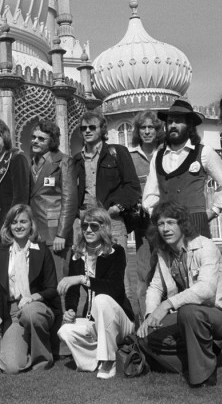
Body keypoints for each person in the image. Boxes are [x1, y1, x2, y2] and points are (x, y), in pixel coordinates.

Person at [136, 201, 222, 387]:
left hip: (221, 316)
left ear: (182, 224)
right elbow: (155, 287)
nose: (165, 229)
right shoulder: (163, 252)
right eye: (161, 224)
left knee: (189, 312)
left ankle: (204, 374)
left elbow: (206, 289)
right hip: (190, 315)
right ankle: (203, 352)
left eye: (170, 222)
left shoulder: (205, 246)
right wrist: (149, 316)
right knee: (144, 338)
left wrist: (166, 305)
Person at [73, 109, 141, 311]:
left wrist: (116, 208)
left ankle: (130, 331)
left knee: (121, 279)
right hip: (85, 222)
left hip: (111, 221)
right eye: (83, 128)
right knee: (89, 273)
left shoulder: (117, 153)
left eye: (92, 127)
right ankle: (97, 326)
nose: (87, 131)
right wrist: (78, 215)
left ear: (102, 129)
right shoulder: (77, 159)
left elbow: (132, 187)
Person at [57, 208, 134, 379]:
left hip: (120, 320)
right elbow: (73, 293)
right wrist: (69, 310)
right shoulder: (77, 255)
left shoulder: (116, 252)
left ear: (104, 227)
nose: (89, 230)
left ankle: (109, 360)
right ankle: (92, 362)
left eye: (94, 226)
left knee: (101, 299)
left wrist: (83, 279)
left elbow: (115, 288)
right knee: (65, 331)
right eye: (85, 226)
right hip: (93, 320)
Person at [142, 98, 222, 238]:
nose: (173, 125)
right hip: (167, 225)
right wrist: (156, 214)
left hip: (195, 223)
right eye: (170, 121)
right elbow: (150, 193)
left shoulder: (204, 152)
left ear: (189, 124)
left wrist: (214, 211)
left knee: (199, 258)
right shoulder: (158, 156)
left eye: (178, 121)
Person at [0, 204, 59, 374]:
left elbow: (52, 289)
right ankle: (25, 345)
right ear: (8, 226)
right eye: (14, 222)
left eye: (23, 221)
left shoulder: (42, 250)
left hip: (38, 309)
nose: (19, 226)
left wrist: (34, 297)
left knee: (31, 313)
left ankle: (42, 359)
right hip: (13, 314)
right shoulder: (0, 253)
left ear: (31, 225)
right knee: (11, 367)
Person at [28, 119, 78, 278]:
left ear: (53, 142)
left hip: (54, 232)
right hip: (34, 231)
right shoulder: (31, 162)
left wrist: (61, 234)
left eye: (41, 139)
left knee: (57, 281)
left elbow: (69, 200)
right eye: (34, 137)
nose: (35, 141)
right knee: (38, 282)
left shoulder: (64, 161)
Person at [0, 118, 30, 248]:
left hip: (9, 229)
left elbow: (21, 196)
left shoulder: (16, 159)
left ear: (4, 139)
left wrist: (12, 225)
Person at [129, 110, 162, 249]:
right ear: (138, 131)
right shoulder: (131, 156)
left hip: (164, 216)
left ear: (158, 130)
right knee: (144, 265)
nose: (147, 132)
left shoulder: (166, 153)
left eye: (151, 127)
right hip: (142, 220)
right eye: (143, 127)